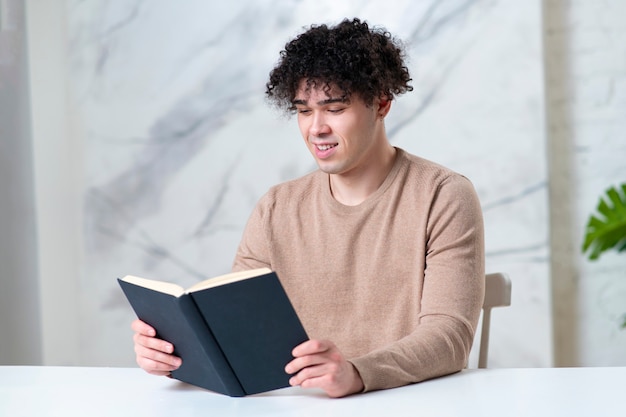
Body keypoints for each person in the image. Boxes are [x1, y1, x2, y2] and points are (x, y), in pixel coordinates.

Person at [131, 17, 485, 398]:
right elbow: (237, 328)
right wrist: (176, 353)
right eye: (303, 110)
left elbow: (449, 337)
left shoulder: (442, 195)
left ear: (381, 104)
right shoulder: (277, 207)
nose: (315, 128)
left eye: (334, 109)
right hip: (295, 405)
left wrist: (357, 373)